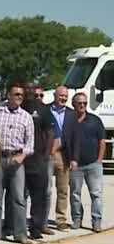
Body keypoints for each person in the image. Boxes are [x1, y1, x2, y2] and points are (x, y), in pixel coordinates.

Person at [0, 82, 35, 244]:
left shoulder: (26, 117)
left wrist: (22, 156)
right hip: (0, 159)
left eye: (21, 95)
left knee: (19, 198)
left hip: (17, 161)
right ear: (8, 95)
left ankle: (20, 234)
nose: (19, 98)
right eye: (16, 94)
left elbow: (30, 144)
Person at [21, 83, 55, 239]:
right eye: (25, 90)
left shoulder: (43, 110)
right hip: (20, 160)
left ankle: (36, 228)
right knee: (19, 196)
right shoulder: (18, 107)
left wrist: (46, 156)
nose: (28, 92)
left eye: (31, 90)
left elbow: (50, 134)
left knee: (38, 196)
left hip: (38, 160)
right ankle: (17, 227)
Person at [69, 92, 106, 232]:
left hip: (93, 164)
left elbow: (102, 141)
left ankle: (96, 221)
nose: (82, 105)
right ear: (74, 104)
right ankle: (77, 219)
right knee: (75, 194)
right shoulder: (69, 120)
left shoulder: (95, 120)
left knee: (96, 194)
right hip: (75, 165)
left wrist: (99, 160)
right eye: (79, 103)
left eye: (84, 103)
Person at [49, 86, 77, 231]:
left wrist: (74, 158)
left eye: (65, 96)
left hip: (63, 155)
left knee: (63, 189)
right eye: (61, 95)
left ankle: (61, 220)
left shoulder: (72, 114)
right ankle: (40, 221)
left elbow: (75, 137)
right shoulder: (45, 110)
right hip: (47, 154)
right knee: (44, 189)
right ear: (55, 95)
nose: (63, 98)